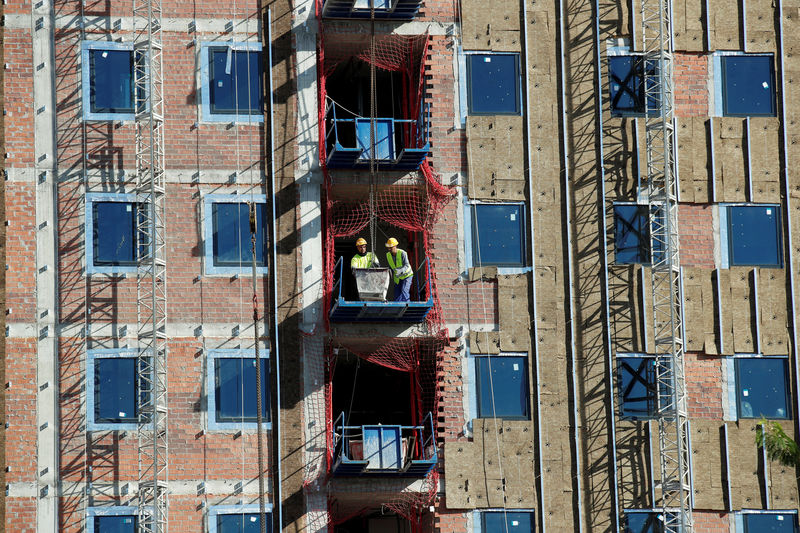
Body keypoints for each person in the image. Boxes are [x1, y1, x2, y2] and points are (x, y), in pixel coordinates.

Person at [385, 237, 413, 302]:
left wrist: (400, 271)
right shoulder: (388, 255)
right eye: (388, 247)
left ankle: (407, 308)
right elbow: (391, 267)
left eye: (391, 247)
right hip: (397, 277)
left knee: (404, 292)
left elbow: (407, 265)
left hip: (407, 276)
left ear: (395, 246)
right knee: (397, 294)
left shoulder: (402, 253)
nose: (389, 249)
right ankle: (398, 310)